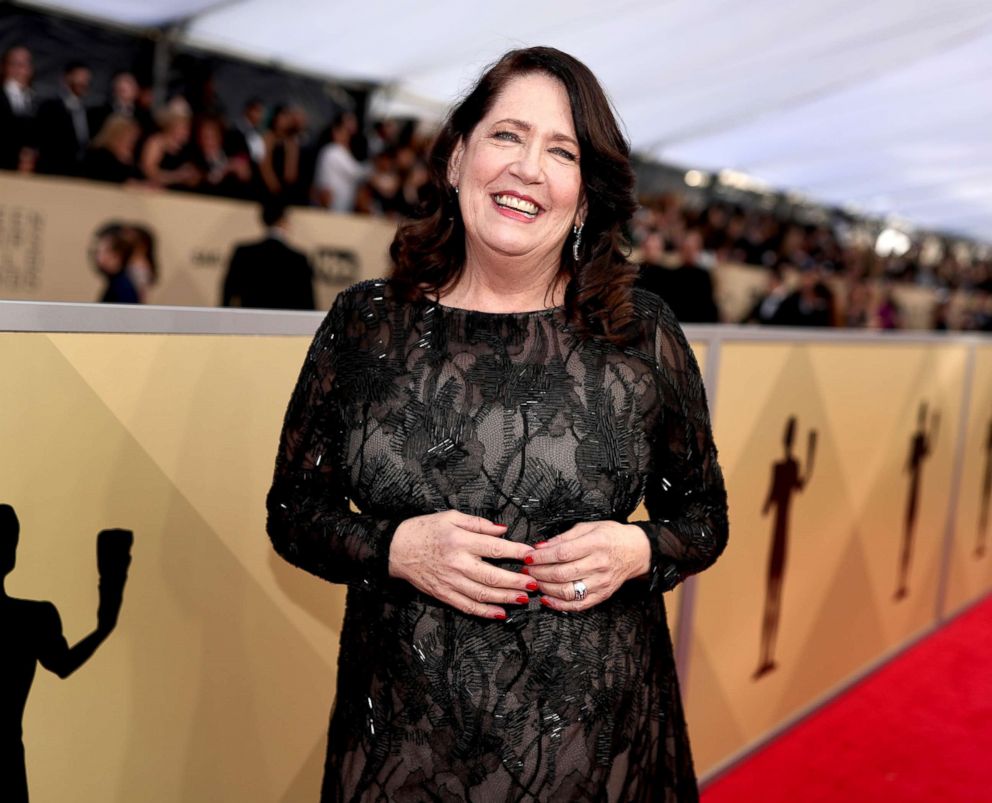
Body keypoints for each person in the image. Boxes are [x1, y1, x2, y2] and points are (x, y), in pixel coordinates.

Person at [266, 46, 728, 802]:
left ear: (585, 196)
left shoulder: (640, 333)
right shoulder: (366, 324)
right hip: (402, 752)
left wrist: (637, 546)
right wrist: (395, 546)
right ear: (457, 158)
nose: (528, 169)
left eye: (561, 150)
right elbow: (292, 512)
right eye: (507, 135)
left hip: (594, 749)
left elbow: (704, 515)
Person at [221, 200, 314, 310]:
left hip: (249, 323)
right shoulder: (299, 259)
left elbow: (228, 294)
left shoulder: (243, 253)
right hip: (285, 324)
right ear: (283, 220)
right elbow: (308, 303)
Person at [34, 61, 92, 176]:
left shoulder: (88, 112)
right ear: (66, 78)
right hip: (52, 171)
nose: (84, 82)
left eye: (87, 79)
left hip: (78, 173)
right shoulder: (49, 107)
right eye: (80, 77)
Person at [313, 110, 369, 212]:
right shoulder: (333, 150)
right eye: (344, 130)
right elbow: (356, 172)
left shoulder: (343, 151)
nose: (347, 135)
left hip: (342, 207)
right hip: (330, 207)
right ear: (335, 131)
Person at [0, 45, 36, 172]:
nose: (19, 70)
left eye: (24, 65)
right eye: (14, 64)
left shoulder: (33, 99)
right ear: (4, 67)